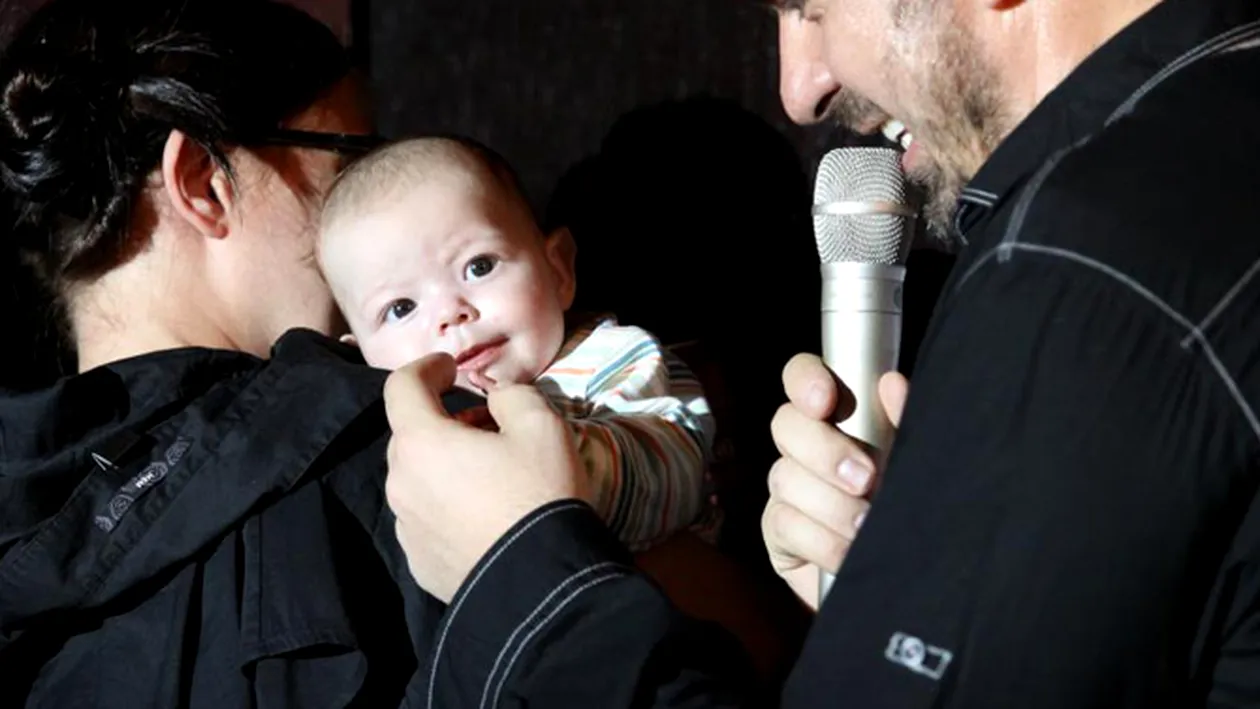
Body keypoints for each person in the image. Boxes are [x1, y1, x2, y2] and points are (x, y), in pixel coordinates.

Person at [381, 0, 1260, 705]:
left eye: (808, 8)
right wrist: (892, 583)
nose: (799, 89)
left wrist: (525, 574)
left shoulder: (1078, 270)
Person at [0, 0, 483, 705]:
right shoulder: (411, 452)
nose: (384, 211)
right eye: (356, 164)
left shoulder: (20, 513)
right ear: (203, 179)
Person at [318, 136, 719, 550]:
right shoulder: (396, 442)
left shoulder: (612, 358)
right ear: (360, 359)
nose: (451, 314)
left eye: (479, 266)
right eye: (401, 308)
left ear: (558, 270)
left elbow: (677, 475)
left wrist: (555, 458)